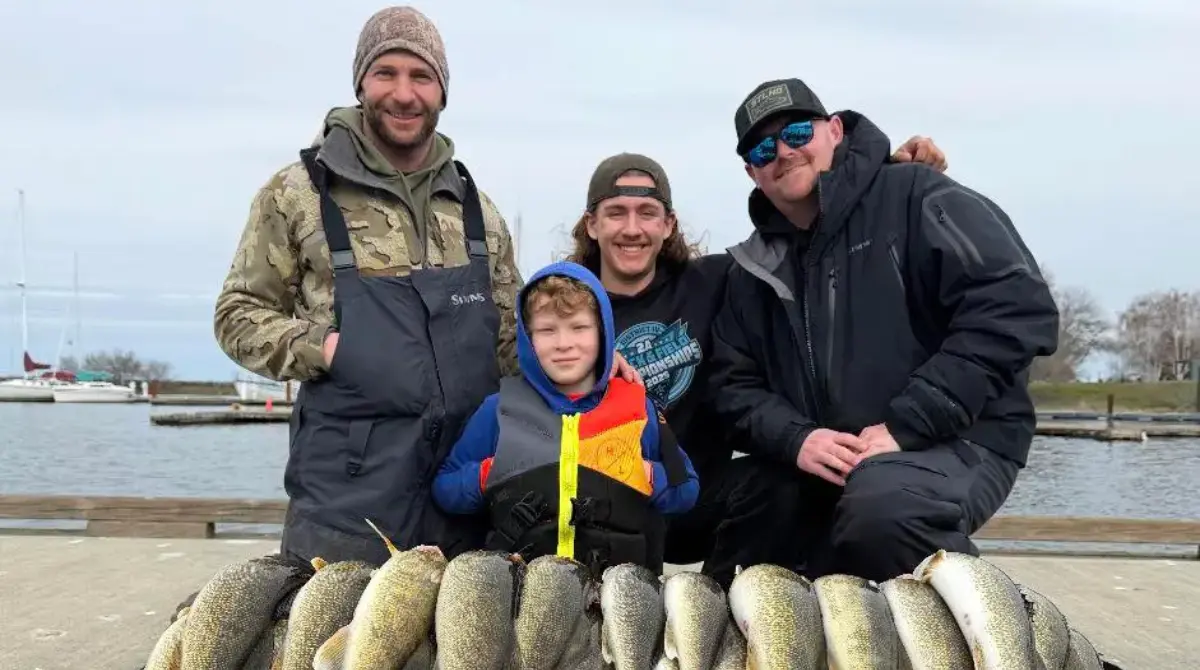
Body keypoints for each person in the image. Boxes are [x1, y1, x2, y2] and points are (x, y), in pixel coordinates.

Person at [211, 6, 639, 568]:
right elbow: (238, 314)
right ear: (361, 82)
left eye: (422, 77)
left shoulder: (476, 209)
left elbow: (511, 342)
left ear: (442, 91)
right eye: (386, 73)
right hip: (349, 498)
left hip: (465, 492)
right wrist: (328, 348)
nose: (404, 93)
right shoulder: (296, 194)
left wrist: (591, 366)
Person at [708, 78, 1060, 583]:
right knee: (748, 538)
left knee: (881, 512)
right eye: (763, 148)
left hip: (958, 440)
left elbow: (1015, 307)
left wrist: (906, 424)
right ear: (751, 172)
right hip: (834, 462)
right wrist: (798, 439)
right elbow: (732, 385)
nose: (783, 152)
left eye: (797, 132)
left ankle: (1001, 644)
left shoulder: (919, 195)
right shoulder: (750, 269)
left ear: (834, 130)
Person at [564, 135, 948, 589]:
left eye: (647, 214)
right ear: (592, 224)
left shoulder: (713, 280)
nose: (632, 229)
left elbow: (808, 229)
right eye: (616, 213)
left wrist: (889, 176)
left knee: (785, 480)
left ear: (668, 224)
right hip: (608, 498)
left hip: (699, 493)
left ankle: (725, 613)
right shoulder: (566, 307)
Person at [430, 261, 700, 577]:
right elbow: (445, 488)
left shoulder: (640, 409)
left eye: (579, 327)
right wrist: (486, 475)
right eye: (547, 330)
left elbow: (687, 492)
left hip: (615, 595)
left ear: (603, 332)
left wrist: (646, 475)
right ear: (529, 339)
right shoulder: (497, 410)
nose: (563, 344)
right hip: (521, 591)